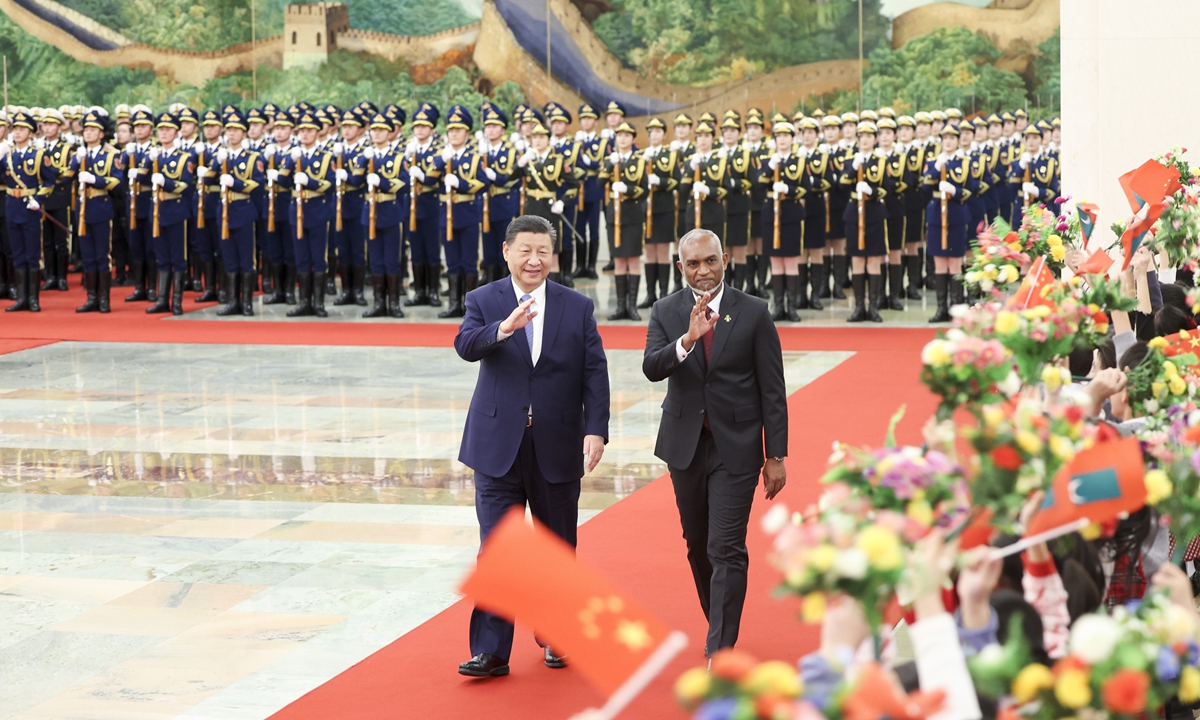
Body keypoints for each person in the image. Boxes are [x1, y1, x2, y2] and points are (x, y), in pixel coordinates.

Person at [454, 214, 610, 678]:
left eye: (543, 251)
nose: (534, 260)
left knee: (556, 546)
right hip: (497, 444)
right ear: (506, 251)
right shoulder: (484, 299)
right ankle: (491, 650)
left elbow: (594, 372)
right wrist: (503, 328)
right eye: (525, 250)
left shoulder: (576, 306)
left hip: (557, 445)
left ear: (552, 257)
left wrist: (595, 428)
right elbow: (465, 344)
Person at [642, 228, 787, 656]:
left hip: (736, 446)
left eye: (711, 261)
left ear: (727, 260)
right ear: (679, 267)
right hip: (684, 447)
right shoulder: (665, 311)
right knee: (698, 544)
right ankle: (719, 624)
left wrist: (774, 454)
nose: (703, 271)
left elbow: (772, 390)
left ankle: (719, 651)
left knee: (725, 547)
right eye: (693, 264)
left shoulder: (754, 311)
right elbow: (652, 367)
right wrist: (686, 340)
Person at [65, 109, 123, 314]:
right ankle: (91, 297)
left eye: (92, 130)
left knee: (102, 255)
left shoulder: (111, 156)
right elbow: (65, 178)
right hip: (82, 209)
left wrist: (95, 180)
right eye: (85, 130)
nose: (88, 133)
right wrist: (75, 163)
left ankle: (104, 299)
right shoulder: (79, 155)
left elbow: (117, 181)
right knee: (88, 255)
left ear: (101, 134)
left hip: (100, 206)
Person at [2, 110, 59, 312]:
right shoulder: (7, 157)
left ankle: (33, 298)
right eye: (14, 129)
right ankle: (21, 297)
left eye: (21, 129)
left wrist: (38, 199)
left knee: (32, 253)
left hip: (30, 207)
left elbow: (50, 180)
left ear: (30, 132)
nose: (17, 133)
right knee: (18, 253)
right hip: (12, 206)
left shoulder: (39, 155)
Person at [281, 109, 336, 318]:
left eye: (309, 130)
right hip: (297, 210)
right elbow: (284, 182)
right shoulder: (293, 155)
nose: (305, 134)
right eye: (302, 130)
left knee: (318, 258)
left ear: (317, 132)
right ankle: (304, 301)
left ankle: (318, 303)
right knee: (301, 257)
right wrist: (288, 166)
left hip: (318, 209)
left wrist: (310, 182)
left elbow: (331, 184)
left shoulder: (326, 157)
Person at [146, 112, 196, 316]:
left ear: (176, 132)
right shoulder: (153, 155)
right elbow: (140, 177)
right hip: (158, 210)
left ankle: (177, 301)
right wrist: (143, 165)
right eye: (161, 130)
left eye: (168, 129)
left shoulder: (185, 158)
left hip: (175, 210)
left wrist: (165, 182)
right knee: (162, 257)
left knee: (177, 257)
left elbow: (186, 186)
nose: (164, 133)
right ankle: (162, 299)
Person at [599, 120, 650, 321]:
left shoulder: (639, 161)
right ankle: (620, 306)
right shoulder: (610, 160)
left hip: (633, 214)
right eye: (619, 135)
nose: (623, 138)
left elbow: (644, 189)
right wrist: (610, 166)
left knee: (633, 261)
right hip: (615, 215)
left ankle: (632, 306)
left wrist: (627, 190)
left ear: (633, 139)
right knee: (619, 261)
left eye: (627, 135)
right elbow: (599, 182)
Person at [758, 119, 806, 322]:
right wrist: (770, 167)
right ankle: (778, 307)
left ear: (793, 139)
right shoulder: (768, 160)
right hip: (772, 215)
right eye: (779, 137)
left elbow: (806, 189)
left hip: (791, 214)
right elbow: (757, 185)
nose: (782, 140)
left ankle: (792, 307)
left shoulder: (799, 160)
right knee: (776, 262)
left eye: (786, 136)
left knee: (791, 262)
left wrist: (789, 190)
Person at [925, 125, 974, 322]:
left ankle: (955, 308)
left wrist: (954, 191)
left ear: (957, 140)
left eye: (952, 138)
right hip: (937, 216)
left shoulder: (964, 163)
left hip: (956, 215)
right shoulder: (932, 163)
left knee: (954, 263)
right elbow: (924, 187)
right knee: (939, 264)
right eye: (945, 138)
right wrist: (937, 167)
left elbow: (970, 190)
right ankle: (941, 308)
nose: (948, 141)